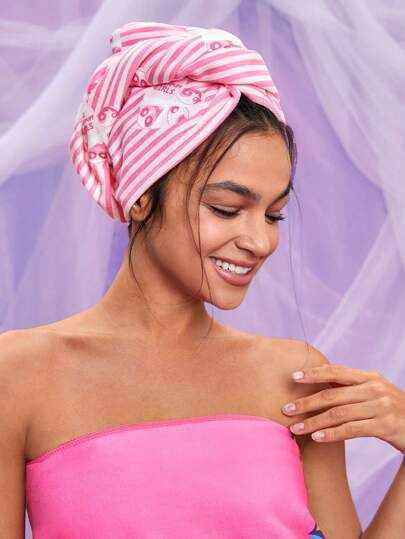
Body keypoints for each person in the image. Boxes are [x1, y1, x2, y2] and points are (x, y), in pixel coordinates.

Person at [2, 20, 404, 539]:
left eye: (274, 215)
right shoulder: (21, 374)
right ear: (140, 195)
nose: (260, 241)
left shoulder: (296, 377)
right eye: (227, 208)